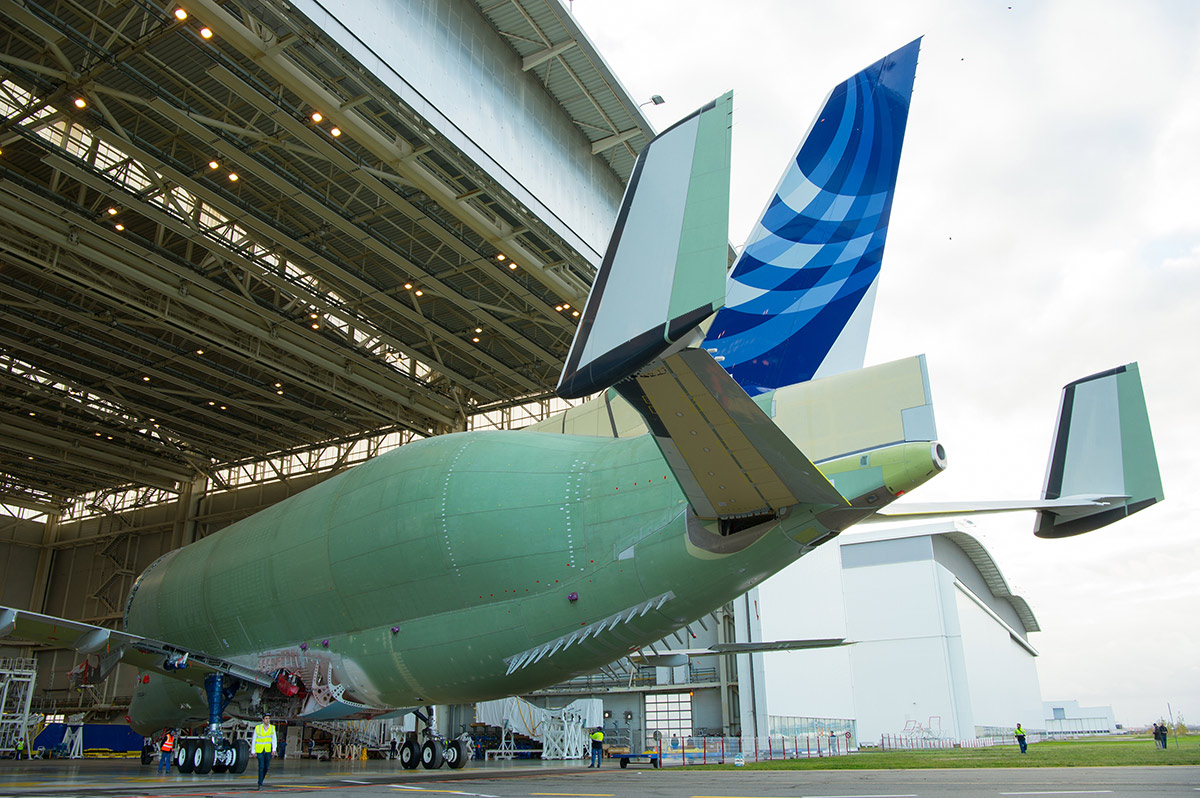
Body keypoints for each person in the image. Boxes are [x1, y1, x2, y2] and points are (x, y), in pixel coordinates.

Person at [253, 713, 278, 790]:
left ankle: (261, 780)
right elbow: (254, 739)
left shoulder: (272, 728)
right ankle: (260, 784)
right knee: (261, 767)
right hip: (260, 750)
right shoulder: (258, 728)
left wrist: (274, 749)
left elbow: (274, 739)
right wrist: (253, 751)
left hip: (267, 750)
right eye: (266, 718)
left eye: (269, 718)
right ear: (263, 720)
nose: (268, 720)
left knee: (266, 767)